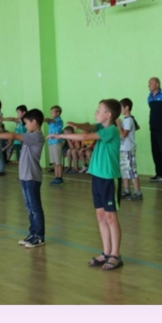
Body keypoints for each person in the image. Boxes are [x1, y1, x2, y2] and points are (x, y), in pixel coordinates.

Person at [52, 99, 124, 270]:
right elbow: (88, 127)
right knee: (100, 216)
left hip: (109, 178)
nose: (95, 113)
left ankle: (115, 255)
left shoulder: (111, 130)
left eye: (99, 111)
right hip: (97, 176)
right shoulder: (100, 126)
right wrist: (77, 124)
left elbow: (85, 136)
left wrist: (61, 136)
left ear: (108, 115)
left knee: (110, 217)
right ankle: (106, 252)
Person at [0, 109, 47, 247]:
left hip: (32, 177)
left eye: (26, 123)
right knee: (29, 208)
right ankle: (33, 233)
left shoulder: (36, 136)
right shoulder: (30, 135)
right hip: (25, 176)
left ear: (34, 122)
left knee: (35, 208)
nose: (25, 125)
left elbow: (13, 135)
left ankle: (39, 236)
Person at [118, 98, 142, 201]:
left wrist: (118, 125)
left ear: (127, 107)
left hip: (128, 149)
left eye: (121, 107)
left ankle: (138, 192)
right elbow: (137, 127)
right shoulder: (128, 119)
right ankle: (127, 190)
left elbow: (124, 135)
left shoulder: (129, 120)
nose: (120, 110)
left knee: (132, 171)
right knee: (124, 170)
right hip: (123, 148)